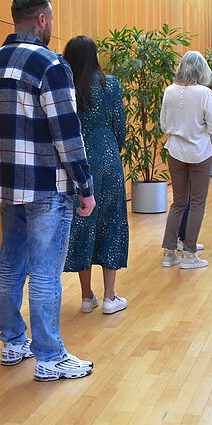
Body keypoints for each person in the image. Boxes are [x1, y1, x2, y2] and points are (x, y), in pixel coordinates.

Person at [0, 0, 96, 381]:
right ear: (42, 20)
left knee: (10, 265)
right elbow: (67, 132)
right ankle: (50, 356)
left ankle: (13, 341)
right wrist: (85, 185)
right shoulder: (51, 65)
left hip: (7, 185)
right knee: (46, 272)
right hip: (47, 185)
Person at [61, 36, 129, 314]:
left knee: (83, 222)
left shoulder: (66, 85)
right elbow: (119, 125)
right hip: (107, 155)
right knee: (112, 221)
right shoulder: (109, 84)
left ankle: (87, 296)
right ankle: (110, 297)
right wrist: (113, 147)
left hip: (76, 157)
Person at [159, 51, 212, 268]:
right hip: (199, 153)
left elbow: (164, 125)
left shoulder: (169, 91)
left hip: (175, 151)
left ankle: (169, 252)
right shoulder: (205, 93)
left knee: (178, 202)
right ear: (202, 69)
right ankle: (189, 253)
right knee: (196, 203)